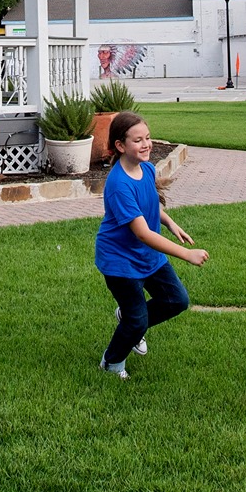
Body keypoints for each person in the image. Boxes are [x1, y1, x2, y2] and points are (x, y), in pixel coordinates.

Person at [96, 110, 207, 379]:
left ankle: (128, 319)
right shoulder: (118, 184)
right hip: (120, 262)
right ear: (120, 146)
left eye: (147, 137)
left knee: (176, 300)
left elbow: (149, 203)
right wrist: (185, 254)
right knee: (138, 321)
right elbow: (143, 233)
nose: (146, 144)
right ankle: (111, 363)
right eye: (138, 140)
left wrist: (170, 223)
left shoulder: (145, 168)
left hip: (148, 257)